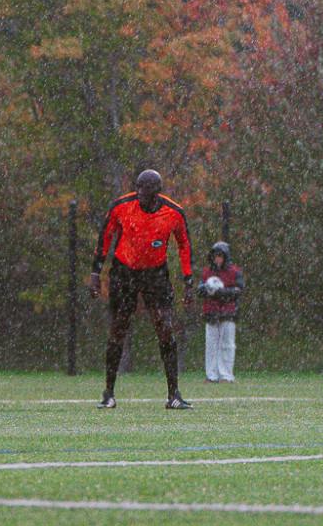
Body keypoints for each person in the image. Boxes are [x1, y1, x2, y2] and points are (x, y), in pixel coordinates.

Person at [89, 169, 194, 410]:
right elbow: (105, 238)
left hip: (155, 274)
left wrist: (188, 281)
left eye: (145, 191)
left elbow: (184, 246)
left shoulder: (174, 213)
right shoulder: (121, 206)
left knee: (165, 328)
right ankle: (108, 393)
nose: (140, 194)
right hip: (124, 271)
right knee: (118, 329)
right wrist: (96, 273)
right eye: (138, 188)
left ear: (156, 192)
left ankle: (174, 394)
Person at [200, 240, 244, 383]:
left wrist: (222, 293)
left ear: (226, 257)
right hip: (211, 312)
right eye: (215, 256)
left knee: (227, 344)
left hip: (227, 313)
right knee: (211, 345)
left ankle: (226, 375)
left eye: (220, 256)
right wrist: (202, 289)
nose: (217, 259)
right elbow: (201, 287)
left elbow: (238, 290)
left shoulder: (234, 271)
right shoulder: (207, 272)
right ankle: (211, 375)